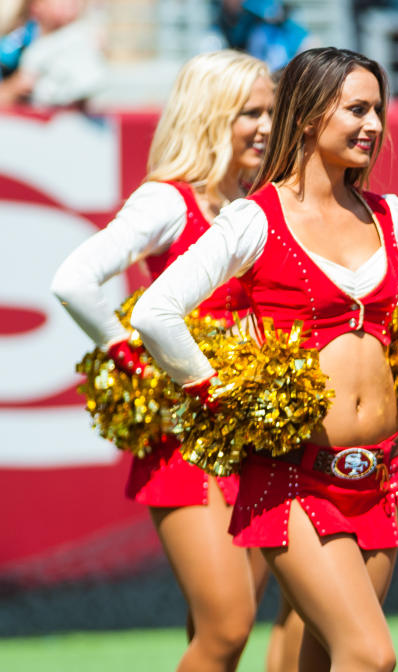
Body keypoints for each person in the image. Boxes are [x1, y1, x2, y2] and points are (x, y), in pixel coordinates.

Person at [130, 47, 398, 671]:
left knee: (323, 655)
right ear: (306, 116)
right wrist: (216, 393)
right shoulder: (255, 219)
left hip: (381, 476)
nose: (374, 126)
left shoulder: (394, 218)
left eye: (379, 110)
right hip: (294, 478)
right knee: (369, 655)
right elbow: (154, 312)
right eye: (356, 109)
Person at [50, 50, 288, 672]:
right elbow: (74, 280)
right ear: (211, 116)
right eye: (250, 113)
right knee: (229, 628)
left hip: (252, 433)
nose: (266, 126)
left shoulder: (255, 204)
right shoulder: (168, 202)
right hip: (186, 440)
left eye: (272, 111)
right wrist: (129, 352)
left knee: (219, 629)